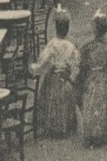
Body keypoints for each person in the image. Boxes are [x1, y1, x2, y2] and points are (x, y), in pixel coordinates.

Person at [30, 9, 79, 138]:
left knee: (48, 93)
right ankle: (66, 125)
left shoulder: (52, 44)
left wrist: (32, 67)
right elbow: (76, 66)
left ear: (56, 28)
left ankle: (52, 126)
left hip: (54, 81)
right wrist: (71, 78)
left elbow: (43, 62)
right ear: (67, 29)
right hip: (66, 81)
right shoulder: (71, 46)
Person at [77, 11, 107, 147]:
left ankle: (93, 132)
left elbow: (83, 66)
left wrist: (81, 80)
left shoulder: (87, 47)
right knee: (104, 101)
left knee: (91, 103)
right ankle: (104, 131)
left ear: (95, 29)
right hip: (103, 77)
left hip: (92, 77)